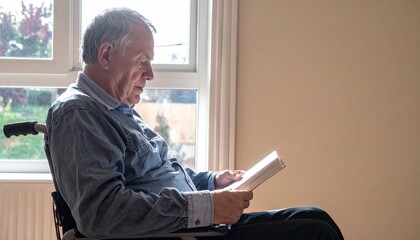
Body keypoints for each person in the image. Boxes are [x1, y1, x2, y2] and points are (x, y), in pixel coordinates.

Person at [46, 8, 345, 240]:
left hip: (192, 228)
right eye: (142, 60)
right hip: (178, 235)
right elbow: (102, 212)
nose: (150, 74)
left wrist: (211, 182)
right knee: (315, 233)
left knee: (316, 218)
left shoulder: (116, 108)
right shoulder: (78, 115)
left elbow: (156, 176)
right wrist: (208, 206)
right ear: (106, 54)